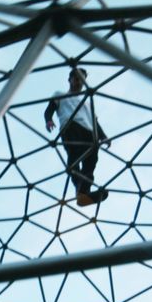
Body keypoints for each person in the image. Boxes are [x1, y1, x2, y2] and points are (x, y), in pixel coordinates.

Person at [44, 66, 110, 206]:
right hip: (70, 126)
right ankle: (81, 190)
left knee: (91, 162)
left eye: (82, 80)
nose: (79, 82)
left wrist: (103, 136)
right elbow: (49, 109)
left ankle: (83, 194)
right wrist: (49, 120)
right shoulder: (60, 94)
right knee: (74, 157)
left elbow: (94, 121)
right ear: (70, 80)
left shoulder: (86, 102)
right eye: (77, 78)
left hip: (89, 132)